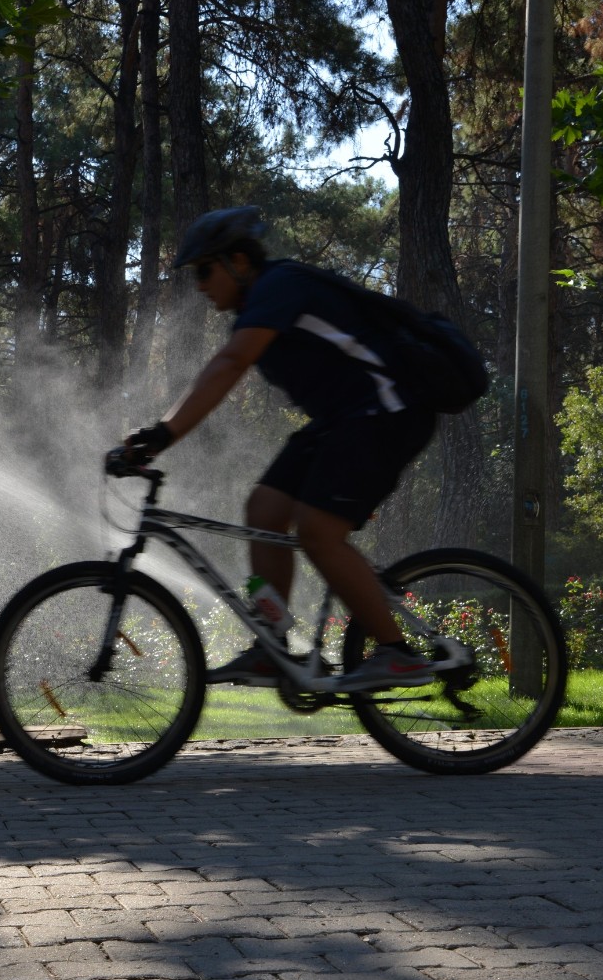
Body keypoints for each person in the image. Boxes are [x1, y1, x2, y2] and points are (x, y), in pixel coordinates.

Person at [118, 206, 438, 693]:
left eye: (205, 270)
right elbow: (228, 366)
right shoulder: (256, 307)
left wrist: (163, 434)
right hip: (342, 421)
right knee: (263, 508)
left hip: (388, 412)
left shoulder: (277, 288)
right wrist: (162, 434)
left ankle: (396, 654)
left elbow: (229, 366)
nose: (200, 284)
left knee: (317, 532)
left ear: (239, 261)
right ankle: (272, 643)